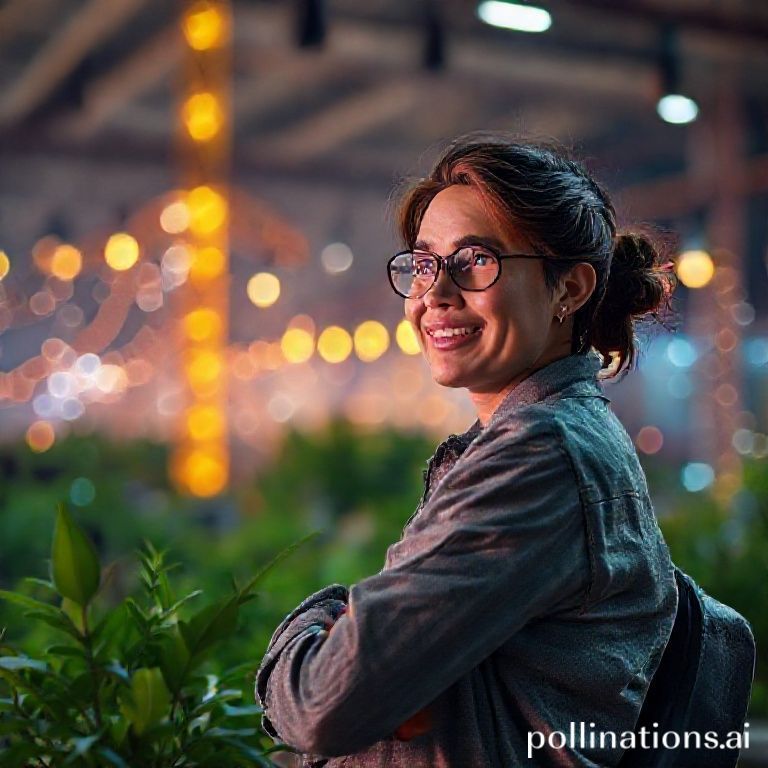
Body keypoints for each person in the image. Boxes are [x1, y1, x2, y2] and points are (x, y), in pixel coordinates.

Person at [256, 134, 680, 767]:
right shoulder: (543, 439)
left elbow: (322, 703)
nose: (435, 294)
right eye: (424, 263)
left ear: (569, 289)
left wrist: (325, 621)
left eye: (476, 260)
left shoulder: (540, 455)